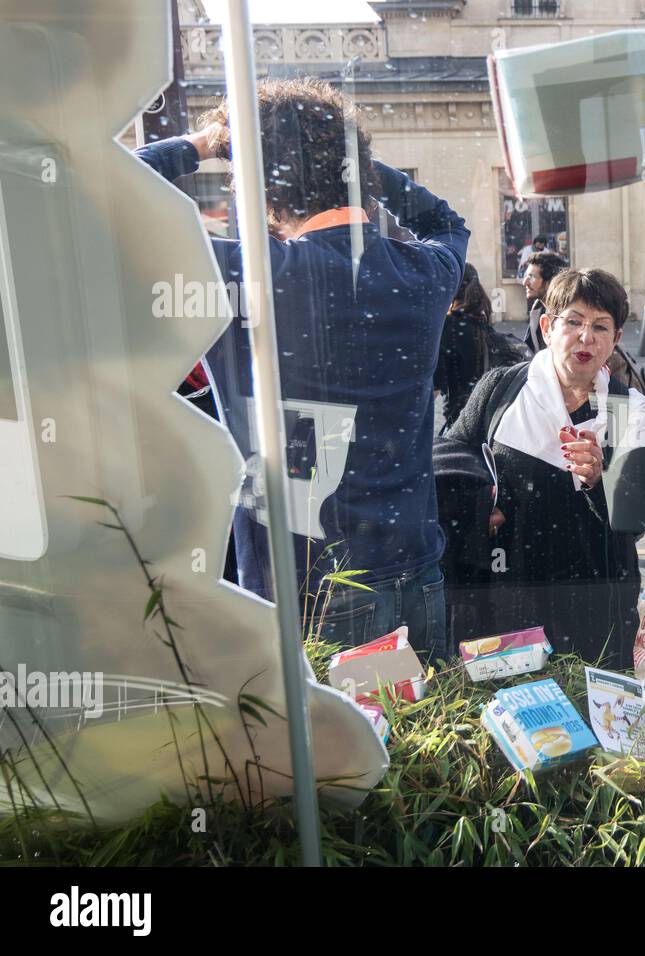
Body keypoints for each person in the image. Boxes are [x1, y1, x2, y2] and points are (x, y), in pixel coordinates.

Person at [133, 77, 468, 655]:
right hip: (415, 564)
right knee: (415, 742)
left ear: (264, 190)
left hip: (310, 582)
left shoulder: (251, 275)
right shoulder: (423, 272)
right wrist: (354, 163)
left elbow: (102, 194)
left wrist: (204, 143)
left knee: (322, 746)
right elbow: (446, 223)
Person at [446, 268, 645, 668]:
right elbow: (452, 466)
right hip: (508, 594)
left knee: (596, 717)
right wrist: (479, 504)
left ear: (616, 339)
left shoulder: (629, 409)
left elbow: (638, 516)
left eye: (600, 327)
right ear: (546, 326)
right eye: (573, 321)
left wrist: (599, 479)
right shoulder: (501, 391)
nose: (585, 337)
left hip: (597, 603)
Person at [435, 262, 492, 432]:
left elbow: (434, 388)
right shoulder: (482, 319)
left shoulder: (448, 326)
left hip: (459, 421)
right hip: (487, 415)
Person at [523, 250, 566, 352]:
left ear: (551, 282)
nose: (525, 282)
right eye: (526, 276)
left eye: (532, 277)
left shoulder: (567, 315)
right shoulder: (538, 309)